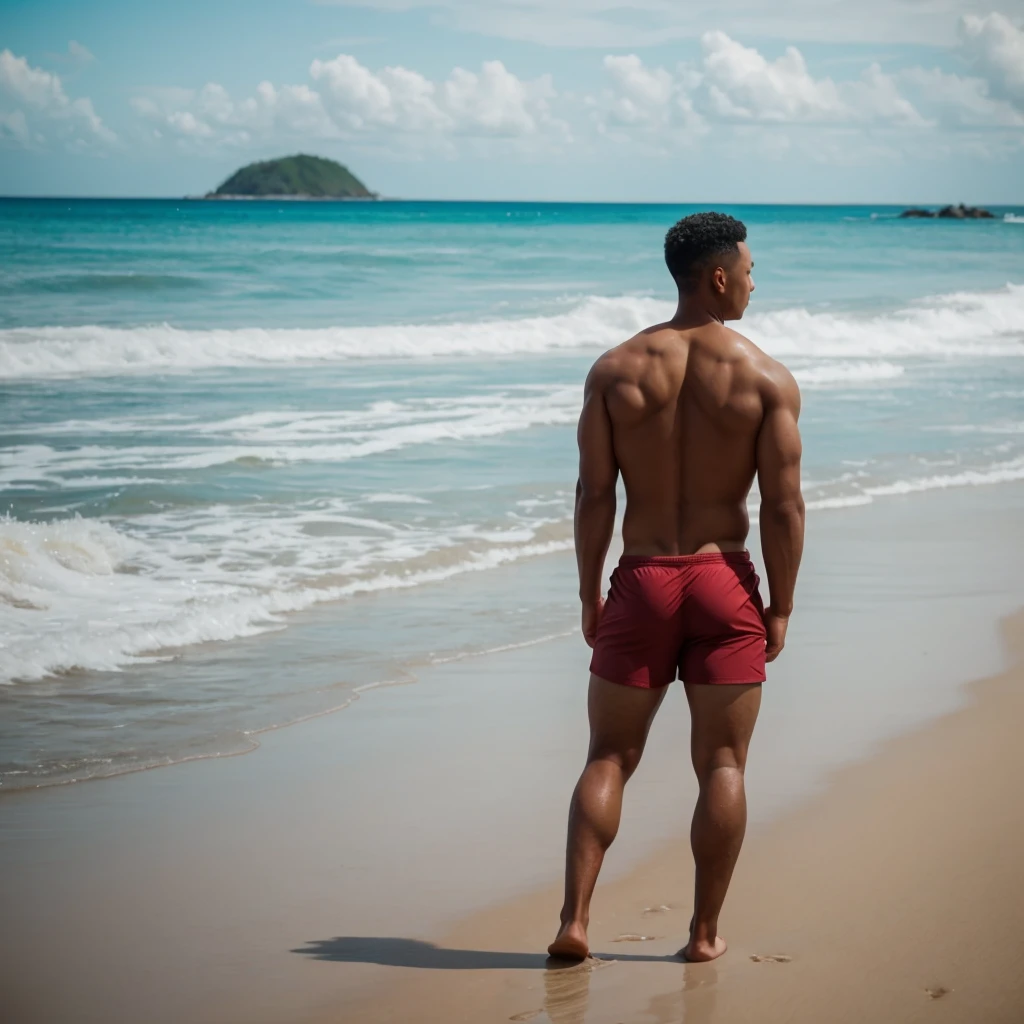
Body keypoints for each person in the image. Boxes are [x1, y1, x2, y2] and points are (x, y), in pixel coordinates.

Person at [548, 212, 805, 963]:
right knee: (722, 764)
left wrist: (590, 592)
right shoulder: (766, 377)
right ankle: (702, 935)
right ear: (718, 276)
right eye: (751, 272)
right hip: (725, 583)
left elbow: (595, 496)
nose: (756, 284)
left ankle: (576, 922)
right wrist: (781, 605)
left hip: (643, 581)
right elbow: (783, 506)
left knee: (607, 757)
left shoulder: (616, 370)